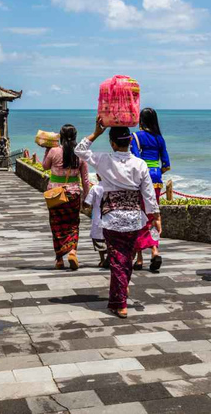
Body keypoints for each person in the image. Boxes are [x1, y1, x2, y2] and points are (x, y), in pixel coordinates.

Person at [76, 117, 161, 318]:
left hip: (112, 218)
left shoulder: (104, 159)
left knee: (117, 260)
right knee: (125, 259)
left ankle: (120, 301)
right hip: (133, 219)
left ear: (112, 143)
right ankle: (119, 297)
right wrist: (155, 216)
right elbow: (148, 194)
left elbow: (79, 150)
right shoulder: (140, 164)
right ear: (130, 141)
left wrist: (96, 132)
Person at [43, 124, 89, 270]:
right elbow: (85, 180)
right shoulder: (81, 154)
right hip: (73, 194)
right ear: (75, 136)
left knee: (56, 225)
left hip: (56, 194)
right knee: (73, 224)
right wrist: (86, 199)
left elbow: (45, 166)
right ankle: (73, 252)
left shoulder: (54, 151)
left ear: (61, 137)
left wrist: (46, 150)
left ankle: (59, 260)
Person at [130, 108, 170, 272]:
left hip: (141, 179)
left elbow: (134, 159)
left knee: (139, 217)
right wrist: (157, 171)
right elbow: (166, 164)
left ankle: (139, 258)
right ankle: (155, 250)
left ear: (141, 120)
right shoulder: (159, 138)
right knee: (153, 216)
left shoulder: (136, 136)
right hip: (156, 181)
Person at [83, 174, 108, 268]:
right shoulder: (113, 187)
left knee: (99, 240)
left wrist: (84, 205)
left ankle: (102, 260)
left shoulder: (95, 188)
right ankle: (110, 256)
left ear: (98, 176)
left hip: (98, 218)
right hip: (111, 218)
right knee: (110, 240)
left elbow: (87, 203)